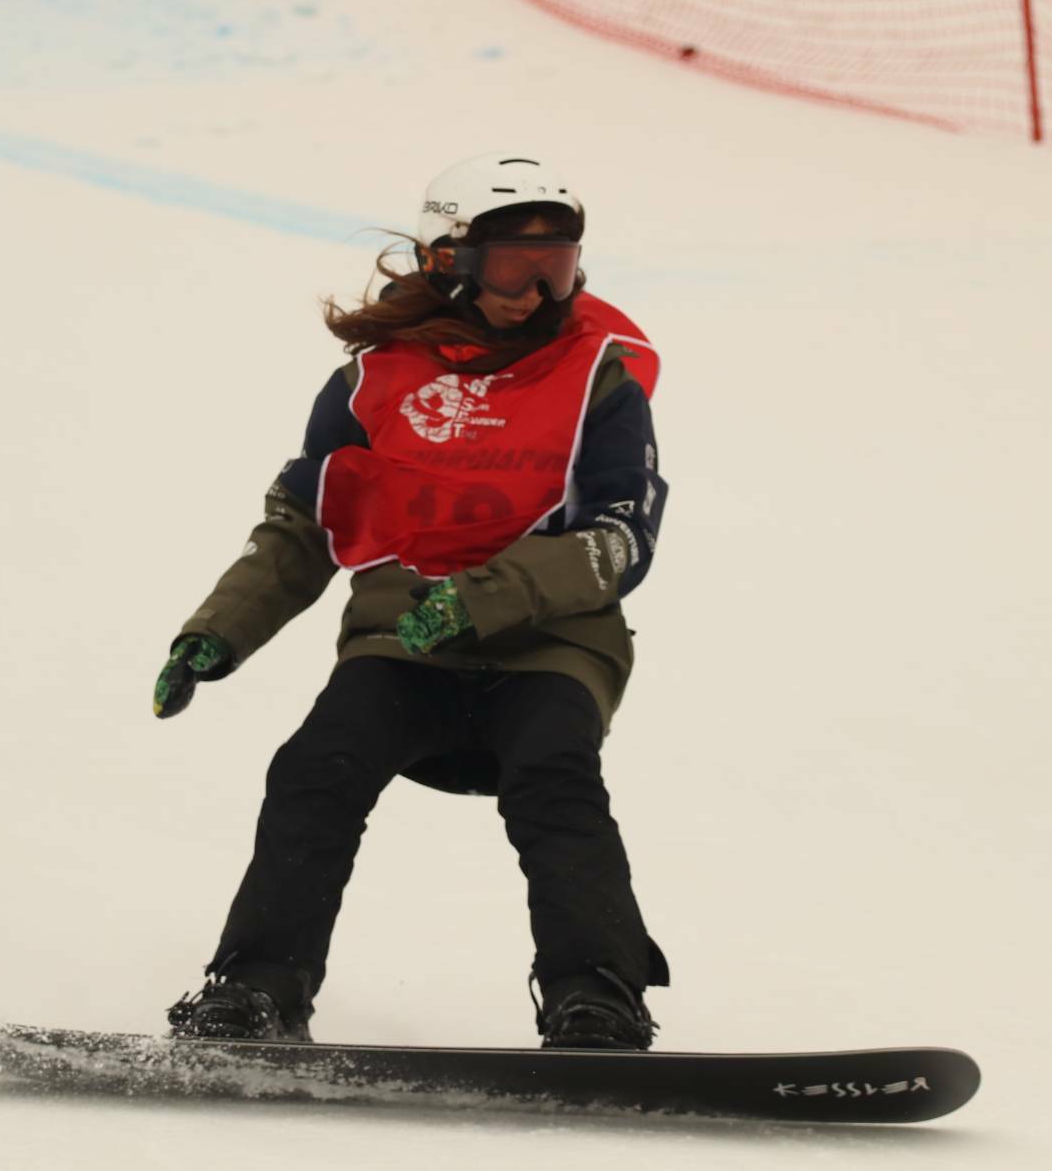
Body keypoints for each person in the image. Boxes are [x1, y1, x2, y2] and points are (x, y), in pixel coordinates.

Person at [152, 153, 671, 1050]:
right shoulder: (372, 381)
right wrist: (216, 634)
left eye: (560, 266)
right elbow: (304, 524)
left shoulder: (601, 379)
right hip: (405, 643)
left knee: (555, 777)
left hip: (553, 644)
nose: (541, 293)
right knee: (316, 768)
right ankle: (256, 987)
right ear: (449, 263)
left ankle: (598, 996)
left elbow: (621, 538)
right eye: (515, 267)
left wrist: (481, 600)